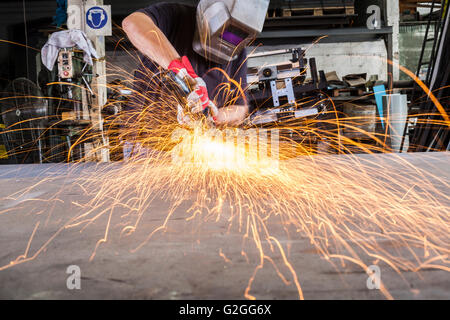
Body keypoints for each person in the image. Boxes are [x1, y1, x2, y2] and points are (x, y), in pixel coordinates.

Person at [122, 0, 269, 126]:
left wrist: (214, 115)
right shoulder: (175, 16)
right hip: (145, 144)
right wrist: (182, 72)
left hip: (193, 147)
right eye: (225, 30)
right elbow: (132, 23)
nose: (229, 39)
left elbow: (240, 109)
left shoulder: (238, 51)